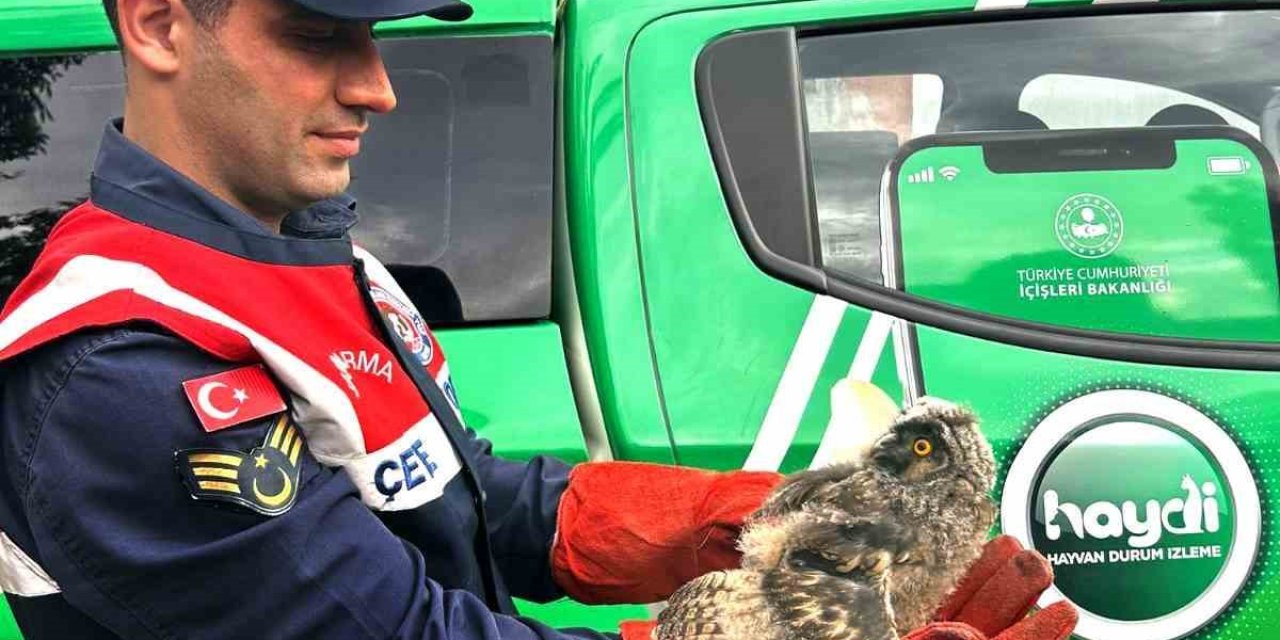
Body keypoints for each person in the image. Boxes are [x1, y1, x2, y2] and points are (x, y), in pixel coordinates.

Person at [0, 0, 1076, 638]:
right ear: (156, 19)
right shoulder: (119, 364)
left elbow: (473, 503)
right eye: (321, 32)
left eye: (379, 35)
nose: (376, 86)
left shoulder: (319, 260)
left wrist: (743, 522)